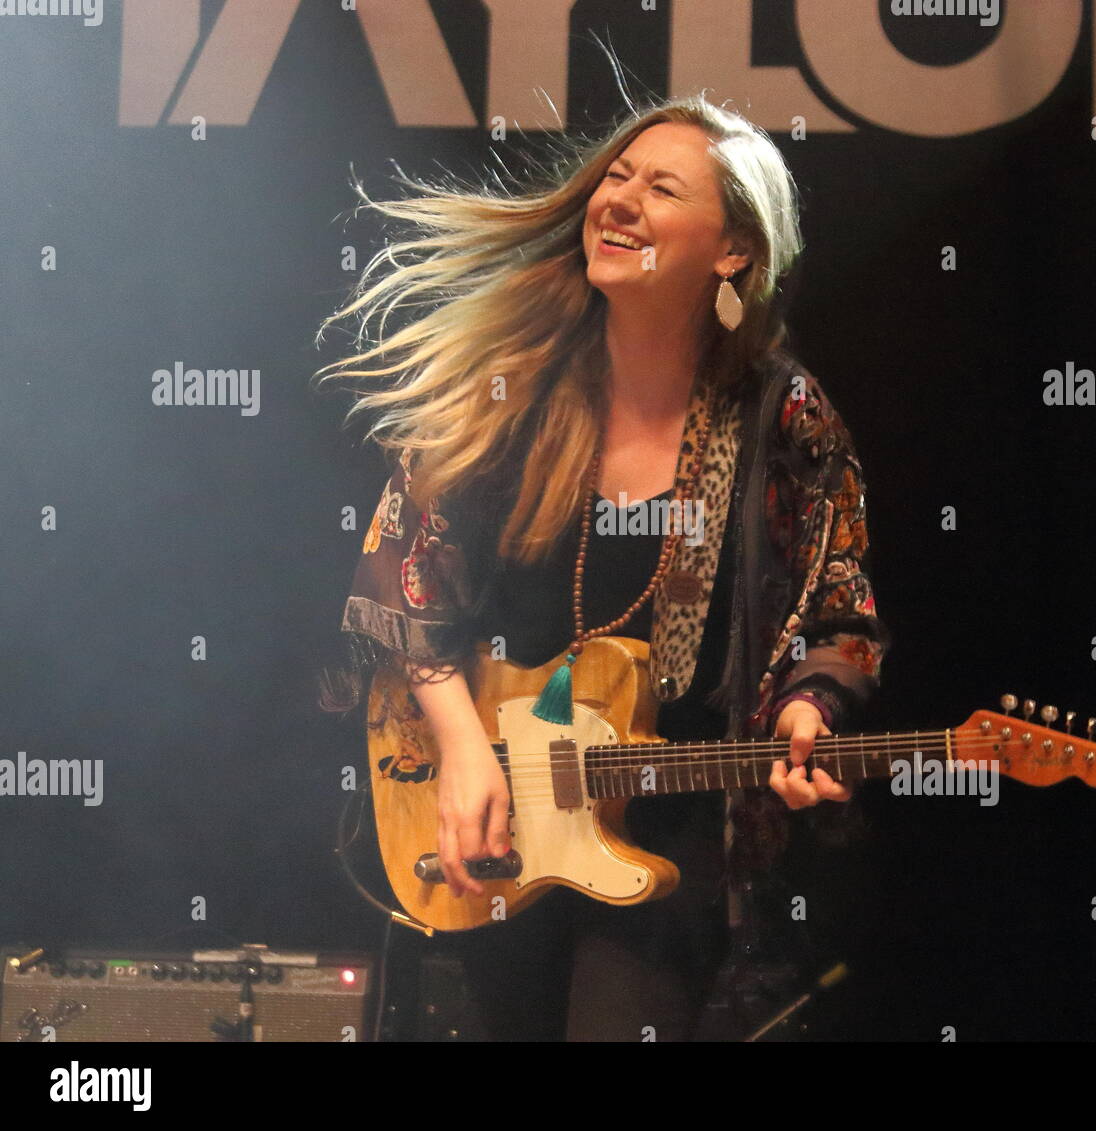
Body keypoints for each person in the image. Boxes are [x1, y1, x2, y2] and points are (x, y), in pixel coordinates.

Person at [315, 94, 889, 1041]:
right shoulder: (518, 379)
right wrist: (461, 751)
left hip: (669, 825)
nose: (618, 200)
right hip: (492, 800)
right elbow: (402, 573)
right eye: (615, 176)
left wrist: (808, 709)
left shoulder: (781, 413)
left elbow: (841, 604)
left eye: (660, 187)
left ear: (734, 251)